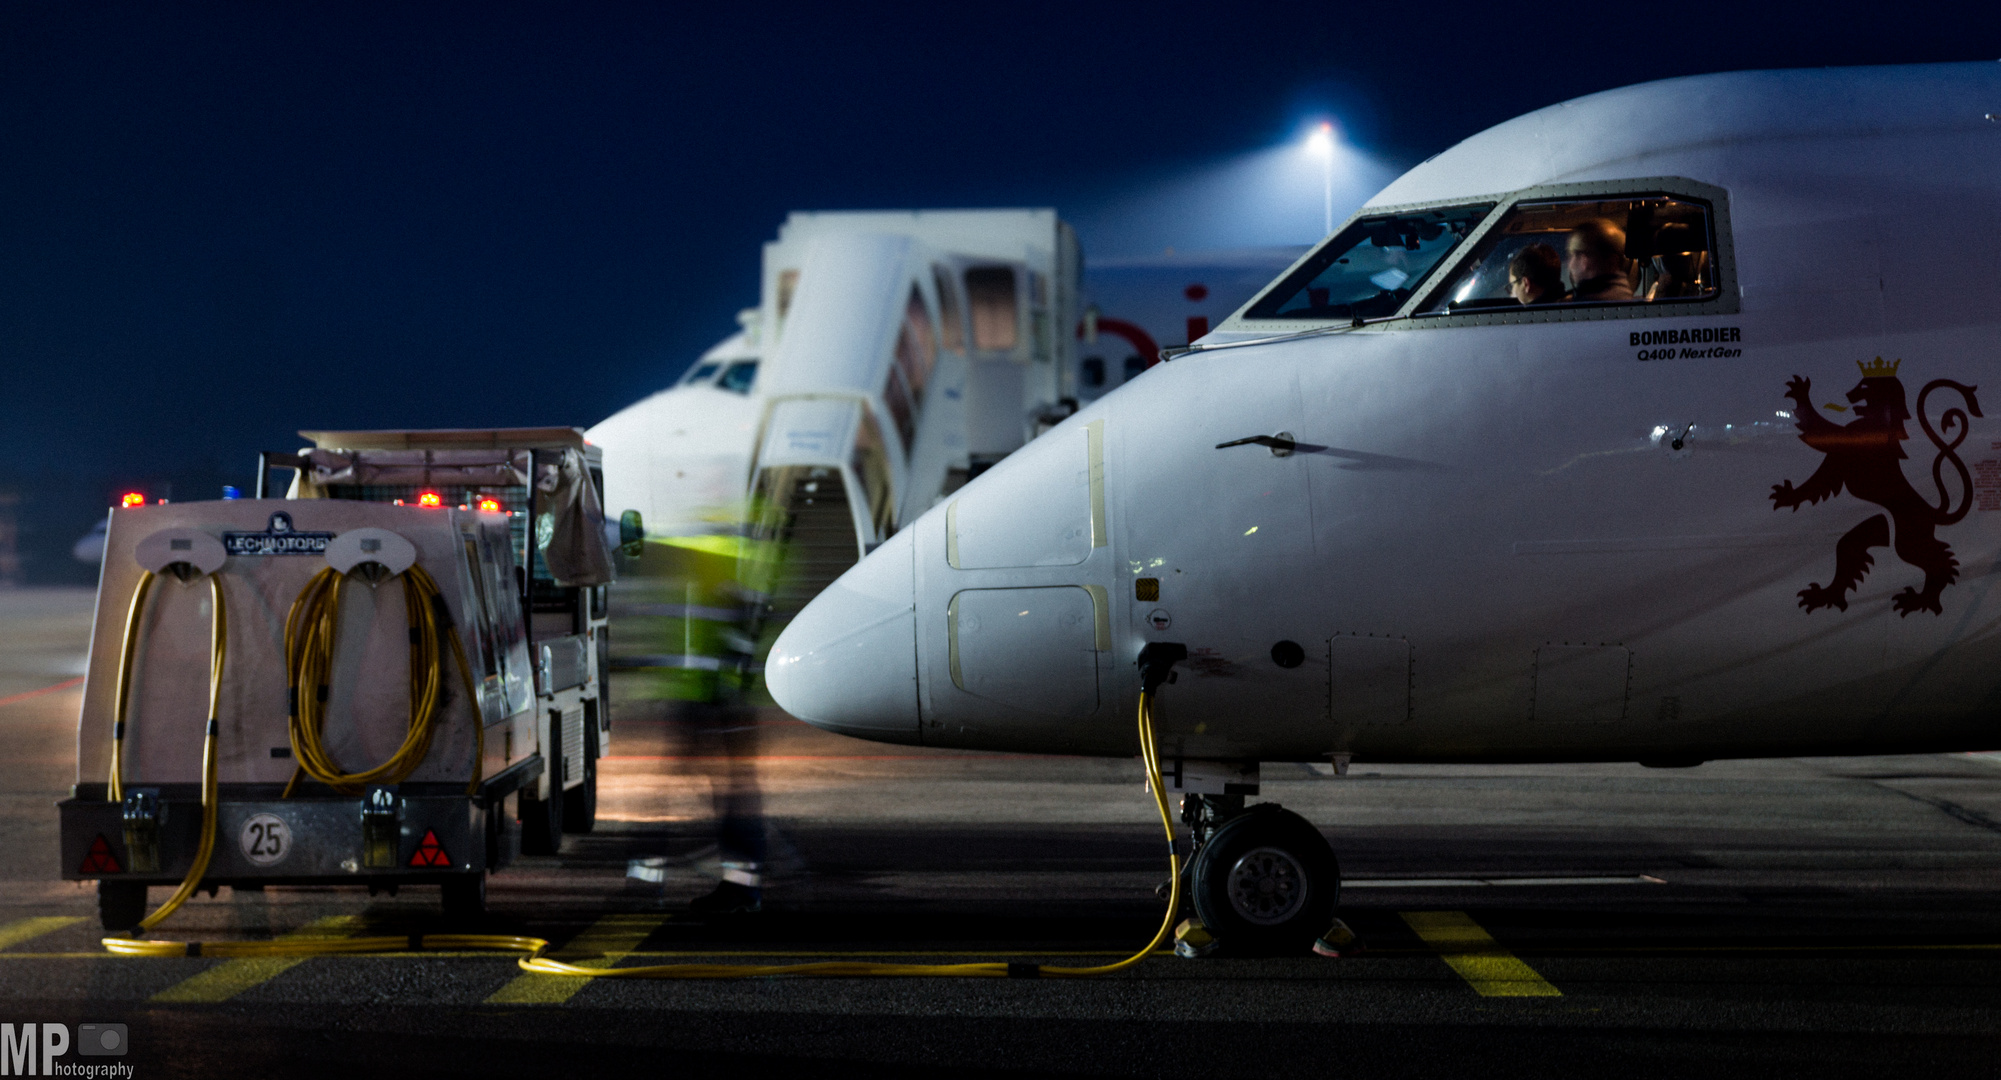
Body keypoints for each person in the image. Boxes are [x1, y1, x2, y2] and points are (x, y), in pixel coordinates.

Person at [1565, 219, 1635, 302]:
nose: (1571, 265)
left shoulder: (1591, 303)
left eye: (1578, 254)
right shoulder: (1622, 296)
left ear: (1612, 262)